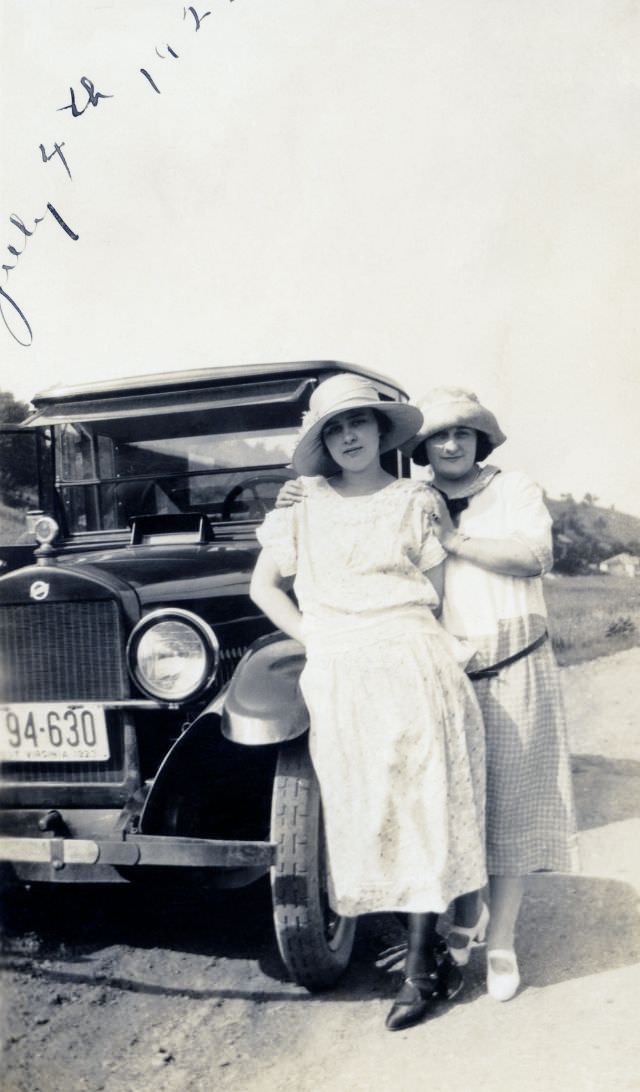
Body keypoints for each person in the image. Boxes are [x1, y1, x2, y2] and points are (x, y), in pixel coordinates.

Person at [277, 385, 579, 1003]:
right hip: (433, 666)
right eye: (438, 436)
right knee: (446, 804)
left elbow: (533, 555)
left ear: (480, 439)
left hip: (510, 656)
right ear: (418, 448)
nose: (449, 444)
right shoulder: (403, 498)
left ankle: (500, 942)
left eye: (462, 434)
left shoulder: (509, 489)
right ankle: (461, 923)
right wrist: (299, 503)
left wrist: (456, 538)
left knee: (512, 804)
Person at [250, 373, 487, 1031]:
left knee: (422, 804)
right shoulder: (302, 505)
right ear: (323, 441)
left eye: (360, 422)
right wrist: (315, 636)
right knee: (368, 810)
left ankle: (420, 969)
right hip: (342, 672)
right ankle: (428, 940)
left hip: (413, 662)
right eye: (335, 427)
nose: (349, 435)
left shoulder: (416, 499)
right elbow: (264, 588)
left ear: (383, 431)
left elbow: (434, 591)